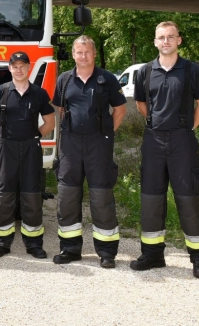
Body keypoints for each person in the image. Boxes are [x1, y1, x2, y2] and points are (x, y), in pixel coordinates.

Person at [133, 21, 199, 279]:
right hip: (153, 140)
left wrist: (187, 127)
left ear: (179, 40)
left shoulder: (192, 70)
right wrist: (159, 124)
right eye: (161, 37)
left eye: (170, 37)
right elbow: (141, 105)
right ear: (155, 42)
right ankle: (153, 255)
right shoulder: (145, 71)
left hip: (182, 141)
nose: (165, 41)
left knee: (189, 198)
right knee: (151, 199)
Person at [51, 36, 126, 268]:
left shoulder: (107, 79)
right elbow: (59, 109)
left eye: (87, 52)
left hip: (98, 144)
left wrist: (105, 133)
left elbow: (121, 109)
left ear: (94, 54)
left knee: (101, 197)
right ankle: (70, 249)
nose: (83, 56)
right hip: (71, 144)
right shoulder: (64, 79)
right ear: (73, 54)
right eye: (78, 52)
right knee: (67, 196)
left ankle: (106, 251)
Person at [0, 51, 56, 260]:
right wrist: (6, 136)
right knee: (4, 194)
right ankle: (1, 243)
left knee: (31, 195)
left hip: (31, 148)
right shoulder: (0, 92)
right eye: (14, 66)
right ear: (10, 68)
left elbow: (50, 122)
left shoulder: (39, 93)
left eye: (22, 65)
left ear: (28, 67)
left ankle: (34, 244)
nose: (18, 69)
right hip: (6, 148)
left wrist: (34, 136)